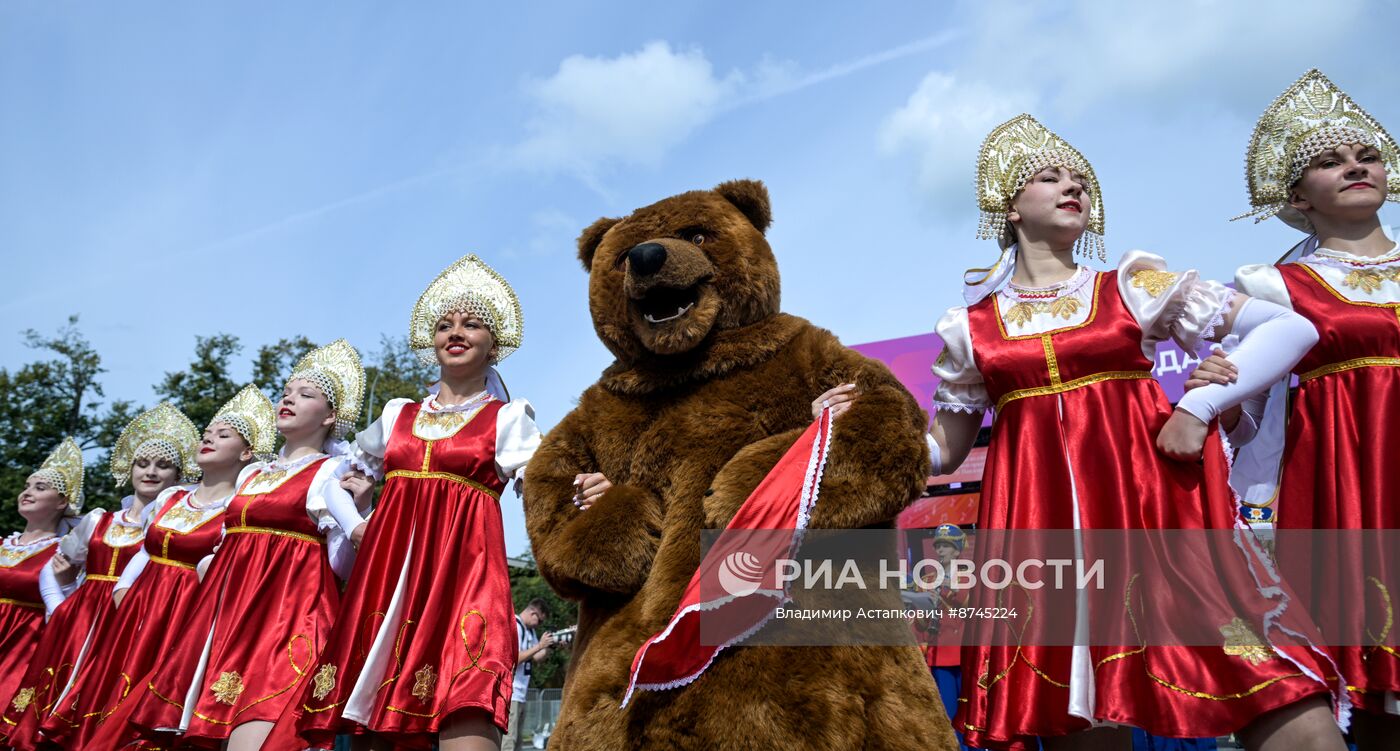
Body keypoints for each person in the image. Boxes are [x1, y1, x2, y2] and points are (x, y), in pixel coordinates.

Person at [822, 114, 1345, 750]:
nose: (1075, 188)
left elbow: (1290, 330)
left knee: (1275, 690)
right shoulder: (970, 326)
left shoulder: (1133, 285)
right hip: (1047, 551)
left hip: (1158, 519)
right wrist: (859, 426)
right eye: (1051, 178)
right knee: (1081, 721)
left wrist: (1201, 404)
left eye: (1081, 181)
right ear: (1011, 208)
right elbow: (939, 453)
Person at [1187, 68, 1400, 750]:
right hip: (1348, 489)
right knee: (1376, 694)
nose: (1355, 166)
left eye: (1365, 155)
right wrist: (1217, 388)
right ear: (1297, 198)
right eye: (1330, 162)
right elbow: (1249, 416)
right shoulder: (1272, 285)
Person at [292, 255, 540, 751]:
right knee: (378, 715)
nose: (456, 331)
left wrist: (586, 485)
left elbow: (545, 481)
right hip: (387, 579)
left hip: (463, 575)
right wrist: (358, 526)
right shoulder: (397, 414)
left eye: (472, 324)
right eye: (445, 324)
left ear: (494, 347)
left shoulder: (509, 418)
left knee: (464, 702)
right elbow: (333, 481)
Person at [125, 340, 365, 751]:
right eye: (287, 392)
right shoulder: (252, 474)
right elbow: (221, 545)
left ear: (330, 417)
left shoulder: (331, 469)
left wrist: (359, 509)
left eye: (306, 395)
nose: (289, 399)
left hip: (286, 616)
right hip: (228, 614)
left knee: (257, 733)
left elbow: (339, 565)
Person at [42, 385, 274, 749]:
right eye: (207, 433)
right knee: (109, 699)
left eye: (223, 435)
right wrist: (123, 591)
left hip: (184, 615)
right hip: (136, 612)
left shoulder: (238, 507)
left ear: (246, 452)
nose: (209, 438)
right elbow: (145, 552)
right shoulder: (172, 497)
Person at [3, 403, 199, 750]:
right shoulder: (99, 521)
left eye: (162, 465)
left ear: (178, 474)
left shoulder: (171, 525)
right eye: (142, 463)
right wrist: (59, 605)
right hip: (81, 621)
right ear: (130, 469)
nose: (150, 472)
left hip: (130, 620)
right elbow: (54, 564)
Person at [0, 438, 83, 745]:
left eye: (40, 487)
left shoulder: (65, 553)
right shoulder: (1, 544)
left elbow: (70, 607)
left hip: (23, 651)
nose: (28, 492)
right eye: (27, 485)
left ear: (62, 501)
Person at [502, 599, 554, 751]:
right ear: (533, 613)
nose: (539, 625)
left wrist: (550, 646)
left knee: (518, 742)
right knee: (508, 741)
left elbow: (537, 657)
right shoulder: (515, 627)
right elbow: (513, 658)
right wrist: (539, 646)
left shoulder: (530, 631)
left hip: (521, 694)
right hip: (511, 693)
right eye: (540, 621)